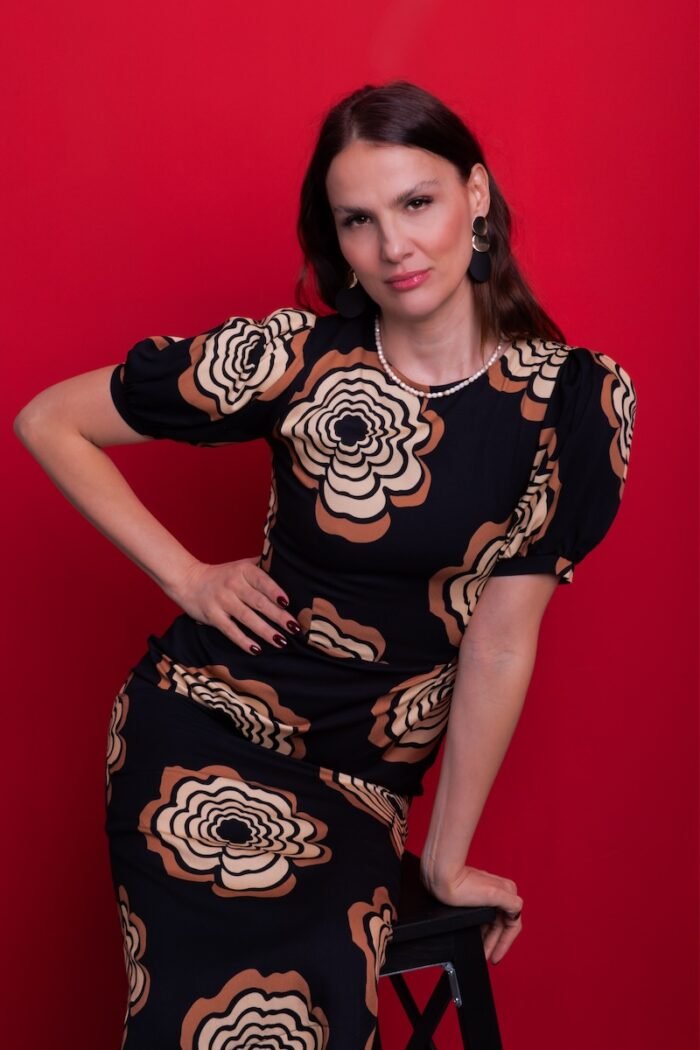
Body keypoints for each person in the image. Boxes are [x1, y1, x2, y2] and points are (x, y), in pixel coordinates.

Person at [14, 80, 637, 1050]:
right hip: (206, 740)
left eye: (416, 202)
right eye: (358, 220)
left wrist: (445, 856)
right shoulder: (297, 358)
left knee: (320, 1020)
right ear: (337, 242)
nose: (392, 245)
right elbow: (47, 419)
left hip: (360, 784)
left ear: (477, 195)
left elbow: (500, 644)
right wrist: (187, 577)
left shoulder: (571, 403)